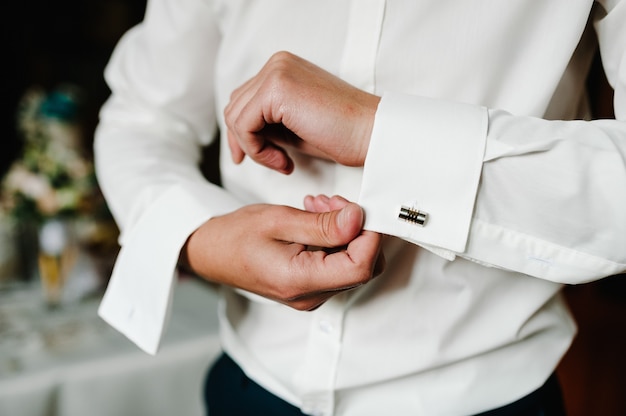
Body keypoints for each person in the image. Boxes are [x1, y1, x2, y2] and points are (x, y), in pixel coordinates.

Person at [94, 1, 626, 415]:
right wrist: (199, 239)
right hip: (245, 386)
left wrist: (375, 131)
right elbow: (141, 119)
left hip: (490, 402)